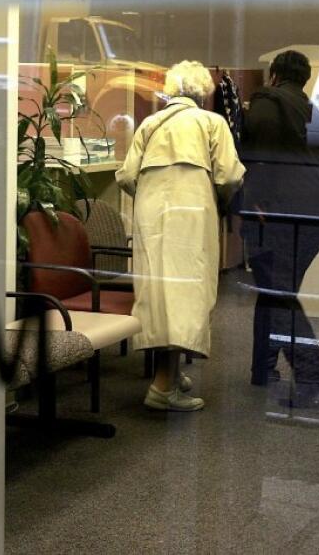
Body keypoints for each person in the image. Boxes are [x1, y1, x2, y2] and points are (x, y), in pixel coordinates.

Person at [116, 60, 245, 412]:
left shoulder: (151, 123)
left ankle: (167, 375)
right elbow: (231, 176)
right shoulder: (212, 122)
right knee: (186, 292)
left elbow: (126, 176)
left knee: (157, 291)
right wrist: (217, 200)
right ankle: (162, 388)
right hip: (193, 212)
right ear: (203, 92)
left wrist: (150, 196)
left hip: (150, 212)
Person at [239, 50, 319, 406]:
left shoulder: (267, 101)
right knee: (275, 291)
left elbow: (261, 156)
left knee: (279, 296)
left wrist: (257, 201)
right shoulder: (313, 112)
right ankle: (262, 369)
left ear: (274, 76)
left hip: (283, 216)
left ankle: (314, 378)